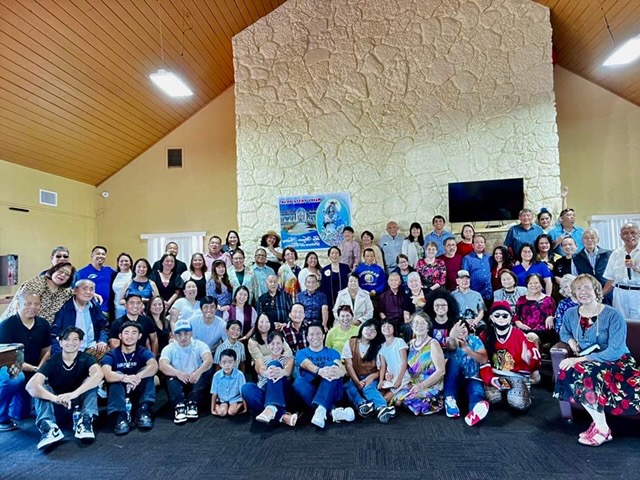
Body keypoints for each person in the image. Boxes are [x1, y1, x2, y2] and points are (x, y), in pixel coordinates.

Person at [554, 274, 640, 446]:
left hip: (617, 362)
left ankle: (601, 429)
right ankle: (601, 426)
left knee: (584, 370)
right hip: (590, 362)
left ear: (596, 290)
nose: (582, 292)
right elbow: (564, 331)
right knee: (572, 370)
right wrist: (570, 341)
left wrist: (580, 359)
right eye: (578, 289)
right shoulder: (571, 314)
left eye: (586, 287)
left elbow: (615, 350)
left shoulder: (613, 315)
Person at [26, 326, 104, 450]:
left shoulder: (87, 358)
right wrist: (55, 398)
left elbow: (99, 374)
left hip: (78, 406)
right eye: (66, 339)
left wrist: (74, 394)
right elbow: (30, 386)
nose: (71, 343)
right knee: (42, 388)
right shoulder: (52, 361)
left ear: (81, 342)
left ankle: (85, 422)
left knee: (91, 382)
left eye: (75, 339)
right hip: (58, 406)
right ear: (60, 342)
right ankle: (50, 429)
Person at [0, 292, 51, 431]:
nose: (32, 307)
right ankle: (1, 417)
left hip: (34, 369)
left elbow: (46, 351)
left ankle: (17, 401)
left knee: (21, 414)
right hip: (10, 367)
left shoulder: (43, 324)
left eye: (36, 304)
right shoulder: (7, 325)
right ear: (18, 304)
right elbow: (8, 358)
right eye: (28, 304)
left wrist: (40, 369)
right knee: (14, 380)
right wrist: (34, 369)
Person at [480, 301, 540, 412]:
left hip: (516, 375)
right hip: (495, 374)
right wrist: (490, 378)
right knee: (493, 399)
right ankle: (504, 394)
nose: (501, 318)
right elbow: (483, 361)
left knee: (519, 404)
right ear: (492, 318)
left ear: (510, 317)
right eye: (497, 315)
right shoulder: (485, 335)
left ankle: (521, 393)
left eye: (505, 315)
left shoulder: (520, 336)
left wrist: (529, 360)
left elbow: (535, 361)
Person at [101, 321, 158, 435]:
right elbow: (106, 373)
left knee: (147, 373)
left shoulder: (143, 351)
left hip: (137, 390)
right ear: (120, 336)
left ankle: (143, 410)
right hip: (120, 393)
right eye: (126, 333)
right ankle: (120, 416)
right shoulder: (111, 354)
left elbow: (154, 366)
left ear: (139, 336)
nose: (130, 336)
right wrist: (124, 378)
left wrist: (137, 377)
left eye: (134, 333)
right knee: (115, 376)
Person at [293, 324, 354, 429]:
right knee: (298, 383)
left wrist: (341, 372)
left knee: (331, 366)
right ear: (307, 337)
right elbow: (307, 364)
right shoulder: (301, 352)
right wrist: (319, 371)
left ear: (323, 336)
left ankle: (321, 409)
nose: (315, 337)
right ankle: (332, 412)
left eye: (318, 334)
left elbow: (340, 366)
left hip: (333, 389)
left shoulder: (332, 352)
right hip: (312, 389)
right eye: (311, 334)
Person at [159, 319, 213, 424]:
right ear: (174, 335)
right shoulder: (169, 348)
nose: (183, 337)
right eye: (179, 334)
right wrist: (177, 373)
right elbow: (162, 365)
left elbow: (209, 359)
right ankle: (179, 405)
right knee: (169, 376)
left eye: (186, 333)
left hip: (195, 379)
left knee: (206, 371)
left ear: (191, 333)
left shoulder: (199, 345)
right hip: (178, 379)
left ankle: (193, 402)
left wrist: (197, 372)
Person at [342, 320, 396, 423]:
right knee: (348, 387)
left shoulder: (378, 347)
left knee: (368, 387)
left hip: (372, 376)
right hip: (354, 376)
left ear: (377, 335)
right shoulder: (351, 342)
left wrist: (370, 378)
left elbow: (381, 369)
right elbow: (349, 365)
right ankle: (362, 405)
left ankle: (382, 408)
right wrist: (357, 381)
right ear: (362, 328)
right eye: (368, 328)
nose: (369, 332)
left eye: (374, 331)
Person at [392, 313, 445, 415]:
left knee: (411, 402)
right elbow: (403, 365)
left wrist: (421, 385)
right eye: (416, 323)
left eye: (422, 323)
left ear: (428, 327)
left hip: (431, 385)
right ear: (411, 326)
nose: (419, 326)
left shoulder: (433, 344)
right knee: (396, 400)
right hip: (413, 384)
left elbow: (441, 371)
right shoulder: (410, 344)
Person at [242, 331, 297, 426]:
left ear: (283, 344)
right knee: (246, 388)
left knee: (274, 364)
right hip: (264, 390)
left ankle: (271, 409)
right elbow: (260, 369)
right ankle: (282, 416)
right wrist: (266, 373)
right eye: (272, 343)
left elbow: (288, 370)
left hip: (282, 392)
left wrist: (280, 371)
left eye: (278, 343)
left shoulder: (289, 358)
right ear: (268, 345)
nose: (276, 346)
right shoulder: (261, 359)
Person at [443, 320, 490, 426]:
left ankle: (475, 413)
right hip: (454, 380)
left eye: (464, 327)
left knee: (476, 392)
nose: (461, 330)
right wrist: (452, 337)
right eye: (458, 327)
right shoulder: (448, 341)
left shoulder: (475, 340)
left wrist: (467, 349)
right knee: (453, 362)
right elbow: (451, 346)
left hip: (472, 378)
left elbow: (483, 359)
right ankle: (450, 399)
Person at [50, 280, 109, 360]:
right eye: (84, 289)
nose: (88, 292)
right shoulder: (64, 308)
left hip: (91, 348)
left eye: (91, 289)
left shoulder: (95, 306)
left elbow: (103, 326)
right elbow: (53, 334)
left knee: (109, 358)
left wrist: (102, 340)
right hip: (69, 350)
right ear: (75, 291)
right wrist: (60, 354)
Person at [603, 222, 640, 320]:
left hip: (637, 294)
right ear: (621, 236)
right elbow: (611, 279)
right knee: (621, 324)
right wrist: (599, 297)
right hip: (619, 294)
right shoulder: (615, 254)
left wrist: (637, 268)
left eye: (633, 232)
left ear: (639, 233)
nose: (629, 236)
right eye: (625, 233)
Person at [513, 274, 557, 355]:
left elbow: (556, 315)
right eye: (530, 283)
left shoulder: (548, 299)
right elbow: (516, 316)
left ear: (541, 285)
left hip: (543, 330)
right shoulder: (521, 299)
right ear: (527, 285)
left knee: (531, 336)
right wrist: (519, 324)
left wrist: (552, 317)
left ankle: (534, 362)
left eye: (536, 283)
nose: (533, 285)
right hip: (524, 328)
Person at [75, 245, 115, 319]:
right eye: (98, 253)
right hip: (92, 311)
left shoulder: (109, 271)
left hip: (110, 312)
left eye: (103, 254)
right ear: (92, 255)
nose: (101, 256)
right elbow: (76, 290)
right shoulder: (82, 272)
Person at [572, 228, 611, 300]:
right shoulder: (576, 257)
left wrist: (602, 293)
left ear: (598, 240)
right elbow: (575, 277)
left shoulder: (608, 254)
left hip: (607, 293)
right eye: (586, 238)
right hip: (586, 295)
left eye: (593, 237)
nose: (589, 240)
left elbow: (612, 277)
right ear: (582, 240)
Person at [377, 318, 410, 403]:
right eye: (384, 326)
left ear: (394, 328)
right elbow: (383, 366)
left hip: (402, 376)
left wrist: (399, 379)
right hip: (391, 376)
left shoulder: (399, 341)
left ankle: (399, 396)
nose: (386, 327)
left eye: (389, 325)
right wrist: (381, 381)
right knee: (379, 393)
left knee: (386, 398)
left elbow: (404, 362)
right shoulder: (382, 347)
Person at [320, 246, 351, 326]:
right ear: (329, 256)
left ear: (340, 255)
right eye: (332, 253)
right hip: (330, 299)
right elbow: (323, 286)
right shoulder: (324, 270)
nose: (334, 255)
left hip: (344, 298)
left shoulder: (345, 268)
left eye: (336, 253)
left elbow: (350, 282)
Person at [210, 349, 246, 417]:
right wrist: (212, 409)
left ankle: (240, 404)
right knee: (221, 413)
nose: (227, 365)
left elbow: (242, 392)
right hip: (222, 399)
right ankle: (219, 405)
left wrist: (245, 408)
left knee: (231, 412)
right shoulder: (216, 375)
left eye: (230, 362)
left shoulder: (239, 374)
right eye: (224, 362)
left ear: (235, 363)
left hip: (235, 399)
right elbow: (214, 394)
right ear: (220, 363)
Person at [461, 234, 492, 301]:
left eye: (481, 242)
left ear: (484, 244)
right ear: (473, 245)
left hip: (489, 293)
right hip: (475, 294)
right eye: (477, 242)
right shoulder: (467, 258)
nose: (479, 244)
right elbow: (464, 275)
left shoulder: (489, 257)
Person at [402, 272, 429, 340]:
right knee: (408, 328)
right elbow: (406, 319)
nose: (413, 283)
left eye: (416, 280)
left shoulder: (428, 292)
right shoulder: (407, 298)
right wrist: (415, 318)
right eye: (411, 281)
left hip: (428, 319)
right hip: (415, 321)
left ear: (420, 282)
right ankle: (411, 347)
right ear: (408, 284)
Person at [111, 253, 133, 320]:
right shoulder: (114, 275)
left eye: (126, 261)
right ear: (118, 263)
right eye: (121, 261)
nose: (124, 263)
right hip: (117, 308)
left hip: (131, 308)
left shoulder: (134, 275)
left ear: (130, 263)